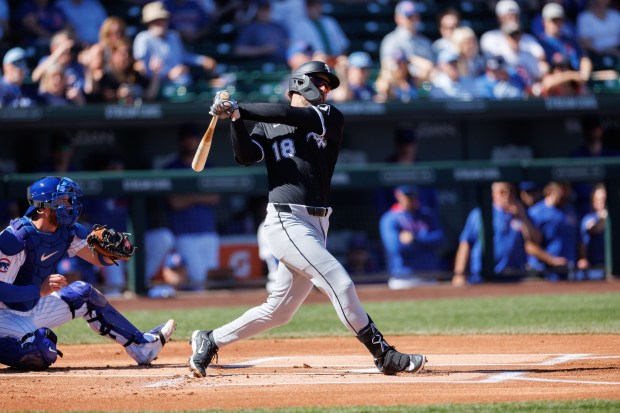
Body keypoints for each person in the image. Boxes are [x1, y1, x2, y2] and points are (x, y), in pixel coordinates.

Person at [187, 61, 427, 378]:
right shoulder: (265, 124)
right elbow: (245, 156)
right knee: (339, 282)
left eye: (328, 84)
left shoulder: (328, 116)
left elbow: (289, 115)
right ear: (301, 83)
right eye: (321, 82)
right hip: (286, 221)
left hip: (317, 223)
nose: (326, 88)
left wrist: (240, 108)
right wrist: (234, 119)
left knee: (280, 311)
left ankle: (210, 339)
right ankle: (384, 354)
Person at [0, 176, 175, 371]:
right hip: (3, 314)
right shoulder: (14, 239)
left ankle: (141, 347)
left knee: (84, 294)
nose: (70, 205)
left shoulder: (67, 231)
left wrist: (115, 253)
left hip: (31, 306)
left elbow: (98, 259)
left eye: (70, 200)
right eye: (63, 200)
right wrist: (39, 291)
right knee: (42, 352)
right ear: (42, 207)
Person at [163, 123, 221, 290]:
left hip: (209, 232)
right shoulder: (172, 168)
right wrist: (200, 197)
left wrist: (188, 197)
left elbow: (214, 198)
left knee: (210, 280)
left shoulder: (209, 167)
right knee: (197, 281)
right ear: (181, 141)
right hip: (184, 234)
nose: (190, 142)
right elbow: (175, 202)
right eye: (187, 139)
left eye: (193, 138)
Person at [453, 182, 540, 286]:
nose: (507, 195)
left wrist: (523, 217)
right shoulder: (478, 214)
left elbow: (535, 241)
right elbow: (465, 244)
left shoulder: (522, 214)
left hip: (514, 275)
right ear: (493, 193)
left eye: (511, 191)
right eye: (502, 192)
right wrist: (459, 273)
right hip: (483, 276)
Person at [133, 1, 217, 88]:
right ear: (148, 23)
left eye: (163, 19)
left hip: (184, 83)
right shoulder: (143, 38)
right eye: (156, 21)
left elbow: (183, 56)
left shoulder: (173, 36)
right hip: (160, 86)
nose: (160, 23)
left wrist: (202, 60)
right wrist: (167, 75)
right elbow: (141, 70)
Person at [379, 185, 444, 289]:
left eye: (413, 196)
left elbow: (439, 239)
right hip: (403, 278)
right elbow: (396, 247)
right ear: (398, 196)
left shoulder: (426, 214)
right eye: (407, 196)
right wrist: (426, 243)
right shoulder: (390, 218)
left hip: (429, 275)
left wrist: (414, 239)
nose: (410, 199)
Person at [526, 181, 579, 281]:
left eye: (567, 191)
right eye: (561, 191)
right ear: (550, 191)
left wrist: (581, 258)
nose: (565, 195)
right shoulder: (536, 213)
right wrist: (551, 260)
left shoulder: (570, 210)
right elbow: (529, 245)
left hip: (568, 269)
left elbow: (578, 239)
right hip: (543, 271)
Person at [379, 1, 434, 84]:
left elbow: (431, 69)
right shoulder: (391, 40)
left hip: (423, 86)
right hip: (398, 87)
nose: (413, 19)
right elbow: (388, 67)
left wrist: (409, 59)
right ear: (397, 18)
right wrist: (410, 61)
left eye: (415, 16)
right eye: (409, 16)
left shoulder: (425, 42)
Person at [290, 0, 349, 65]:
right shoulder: (300, 26)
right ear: (307, 8)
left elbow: (343, 45)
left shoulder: (330, 22)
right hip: (315, 62)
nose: (315, 9)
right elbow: (297, 51)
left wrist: (341, 58)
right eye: (312, 6)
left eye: (317, 5)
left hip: (335, 60)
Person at [232, 0, 290, 66]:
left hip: (280, 65)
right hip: (257, 66)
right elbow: (238, 51)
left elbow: (288, 44)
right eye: (262, 10)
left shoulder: (279, 27)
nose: (264, 13)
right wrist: (263, 50)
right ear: (257, 11)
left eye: (267, 10)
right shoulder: (250, 28)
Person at [577, 183, 607, 280]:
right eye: (598, 200)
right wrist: (603, 219)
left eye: (604, 200)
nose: (601, 203)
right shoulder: (589, 218)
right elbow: (592, 229)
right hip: (594, 267)